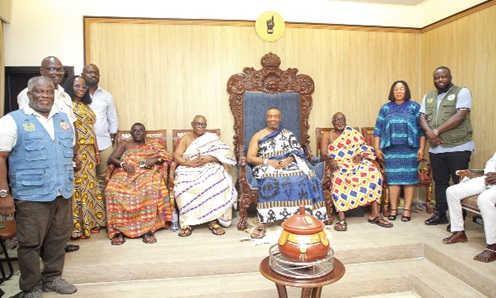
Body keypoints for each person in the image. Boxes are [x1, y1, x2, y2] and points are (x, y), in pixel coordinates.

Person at [0, 76, 77, 297]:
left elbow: (67, 151)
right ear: (29, 94)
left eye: (49, 92)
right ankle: (31, 287)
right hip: (32, 194)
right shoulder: (12, 120)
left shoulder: (63, 119)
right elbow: (1, 157)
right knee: (30, 243)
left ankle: (53, 278)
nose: (44, 96)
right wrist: (3, 194)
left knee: (58, 238)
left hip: (62, 191)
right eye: (39, 92)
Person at [17, 56, 79, 253]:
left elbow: (70, 125)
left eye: (60, 70)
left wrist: (72, 152)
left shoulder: (65, 96)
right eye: (52, 69)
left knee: (59, 224)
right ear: (41, 70)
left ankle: (54, 258)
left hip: (63, 161)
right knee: (34, 232)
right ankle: (32, 281)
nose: (56, 73)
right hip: (37, 168)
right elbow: (28, 128)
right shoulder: (22, 99)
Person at [246, 107, 328, 239]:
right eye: (270, 116)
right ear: (266, 118)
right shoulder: (258, 136)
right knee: (269, 182)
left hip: (289, 164)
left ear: (280, 118)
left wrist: (290, 159)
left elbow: (299, 152)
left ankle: (305, 218)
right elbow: (250, 157)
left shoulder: (287, 134)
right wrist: (268, 161)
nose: (273, 119)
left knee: (306, 178)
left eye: (276, 116)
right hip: (266, 165)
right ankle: (263, 222)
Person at [419, 66, 474, 226]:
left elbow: (459, 117)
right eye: (436, 78)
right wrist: (430, 133)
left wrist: (436, 131)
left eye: (443, 77)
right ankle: (440, 214)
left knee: (459, 183)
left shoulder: (462, 92)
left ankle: (458, 220)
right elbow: (422, 116)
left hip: (459, 146)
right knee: (440, 182)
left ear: (450, 76)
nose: (440, 80)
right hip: (436, 148)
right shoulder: (428, 96)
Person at [321, 112, 392, 231]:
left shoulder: (352, 133)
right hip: (339, 164)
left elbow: (364, 148)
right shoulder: (327, 135)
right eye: (337, 120)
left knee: (374, 174)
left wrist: (361, 155)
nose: (340, 122)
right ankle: (341, 218)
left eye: (342, 119)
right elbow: (323, 155)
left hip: (355, 163)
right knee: (339, 179)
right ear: (333, 122)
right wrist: (331, 160)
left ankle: (375, 214)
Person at [105, 123, 171, 245]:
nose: (138, 133)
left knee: (150, 188)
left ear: (145, 132)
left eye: (141, 130)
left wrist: (155, 160)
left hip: (146, 173)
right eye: (135, 131)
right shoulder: (125, 144)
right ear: (131, 133)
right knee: (112, 189)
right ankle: (118, 230)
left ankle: (147, 229)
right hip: (125, 172)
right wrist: (123, 164)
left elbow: (167, 156)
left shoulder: (153, 145)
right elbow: (111, 158)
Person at [173, 115, 237, 237]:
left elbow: (225, 154)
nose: (200, 127)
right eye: (197, 124)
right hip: (188, 167)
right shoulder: (186, 139)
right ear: (192, 124)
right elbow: (176, 156)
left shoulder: (211, 138)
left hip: (209, 167)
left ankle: (212, 220)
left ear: (206, 126)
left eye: (203, 125)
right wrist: (188, 163)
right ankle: (187, 223)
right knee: (182, 185)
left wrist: (210, 158)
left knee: (216, 181)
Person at [373, 81, 427, 222]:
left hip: (410, 149)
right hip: (391, 150)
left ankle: (407, 210)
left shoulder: (414, 107)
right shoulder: (385, 108)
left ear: (406, 91)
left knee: (409, 180)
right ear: (392, 92)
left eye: (401, 89)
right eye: (396, 89)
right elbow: (377, 130)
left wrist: (422, 148)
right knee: (393, 181)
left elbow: (422, 130)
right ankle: (393, 209)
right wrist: (377, 148)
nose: (398, 91)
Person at [63, 75, 107, 239]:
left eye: (83, 86)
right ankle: (80, 226)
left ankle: (93, 221)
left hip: (89, 150)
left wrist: (96, 151)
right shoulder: (67, 106)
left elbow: (91, 131)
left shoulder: (86, 105)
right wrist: (74, 154)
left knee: (91, 186)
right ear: (70, 87)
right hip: (77, 150)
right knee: (79, 187)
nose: (81, 89)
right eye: (77, 86)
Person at [442, 153, 496, 263]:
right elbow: (492, 162)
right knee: (452, 191)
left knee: (484, 199)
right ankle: (458, 232)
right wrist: (491, 173)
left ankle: (493, 245)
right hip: (491, 179)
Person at [81, 64, 119, 193]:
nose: (93, 75)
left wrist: (112, 138)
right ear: (82, 75)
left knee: (103, 177)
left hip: (104, 142)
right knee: (85, 178)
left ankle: (101, 210)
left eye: (96, 73)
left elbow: (112, 118)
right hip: (83, 144)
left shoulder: (106, 96)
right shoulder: (78, 94)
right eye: (89, 72)